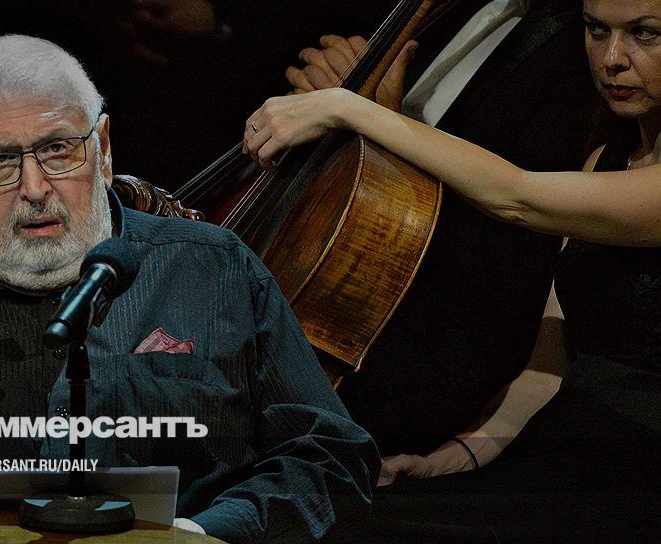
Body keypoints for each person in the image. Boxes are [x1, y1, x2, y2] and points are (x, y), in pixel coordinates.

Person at [0, 34, 379, 543]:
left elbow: (330, 458)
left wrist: (197, 536)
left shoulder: (212, 272)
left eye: (58, 150)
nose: (34, 188)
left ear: (102, 149)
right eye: (0, 162)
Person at [244, 0, 661, 538]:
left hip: (642, 472)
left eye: (645, 34)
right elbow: (547, 369)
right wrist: (457, 455)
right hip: (571, 452)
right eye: (596, 29)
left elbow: (516, 196)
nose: (611, 58)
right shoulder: (603, 159)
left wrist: (350, 108)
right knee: (319, 510)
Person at [283, 0, 602, 457]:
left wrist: (375, 120)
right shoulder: (440, 10)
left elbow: (517, 238)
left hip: (427, 350)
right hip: (343, 308)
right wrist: (337, 86)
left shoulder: (588, 42)